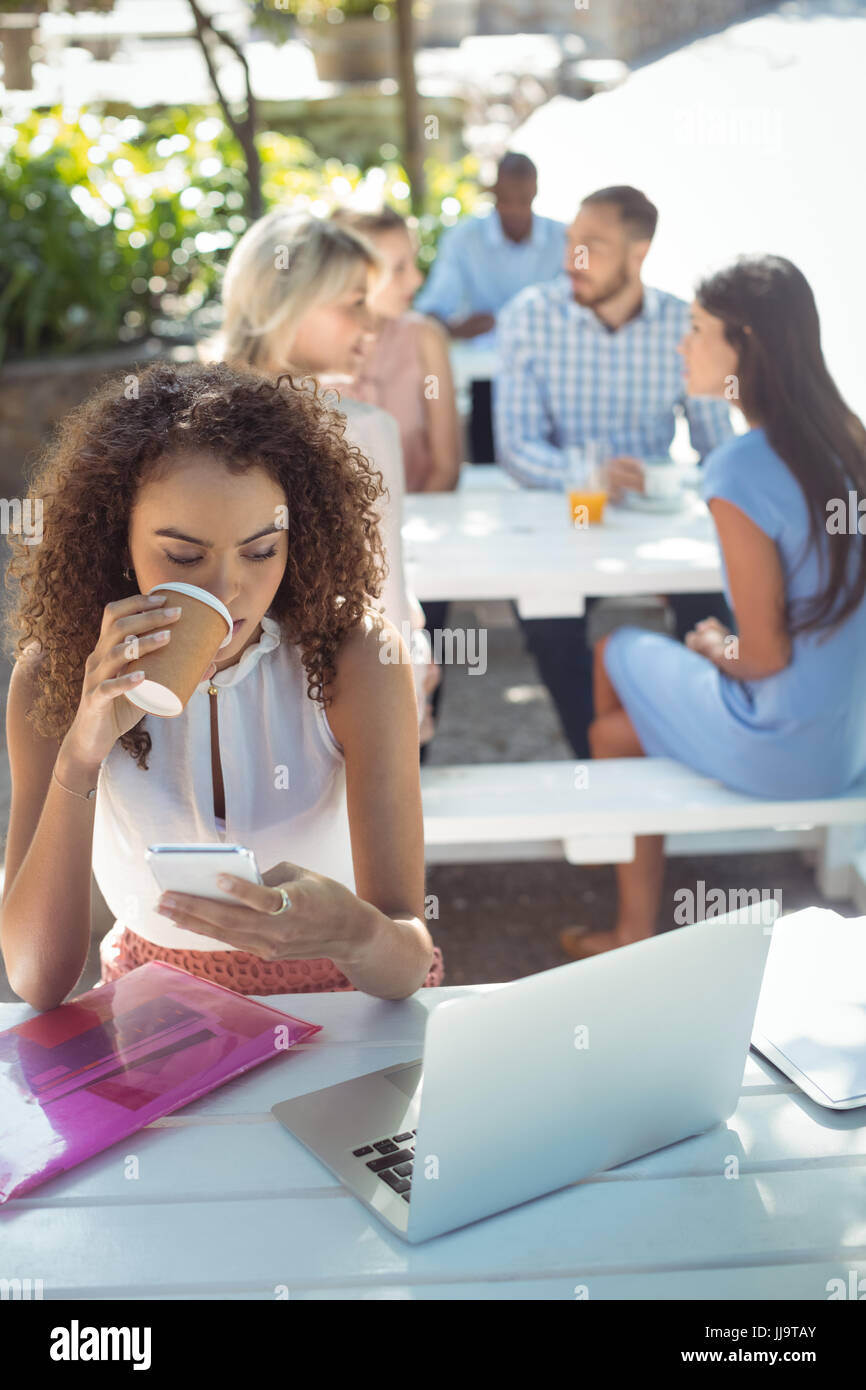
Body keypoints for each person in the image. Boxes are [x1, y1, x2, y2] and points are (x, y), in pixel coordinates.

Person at [1, 361, 444, 1010]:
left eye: (262, 550)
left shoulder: (353, 657)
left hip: (339, 1006)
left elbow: (407, 962)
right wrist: (80, 752)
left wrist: (349, 930)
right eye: (183, 556)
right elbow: (37, 979)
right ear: (118, 541)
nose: (227, 591)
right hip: (154, 1016)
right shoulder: (58, 672)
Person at [562, 254, 866, 960]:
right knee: (613, 734)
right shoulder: (847, 442)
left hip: (790, 751)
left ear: (745, 345)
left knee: (616, 650)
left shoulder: (738, 464)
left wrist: (708, 647)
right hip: (849, 743)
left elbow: (761, 656)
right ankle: (633, 918)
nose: (681, 343)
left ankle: (634, 927)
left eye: (698, 329)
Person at [494, 185, 735, 759]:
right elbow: (517, 447)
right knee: (548, 623)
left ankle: (700, 738)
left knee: (714, 603)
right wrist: (587, 474)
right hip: (565, 517)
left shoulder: (685, 325)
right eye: (571, 243)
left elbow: (717, 450)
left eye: (593, 246)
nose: (571, 260)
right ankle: (597, 756)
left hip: (656, 526)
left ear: (639, 252)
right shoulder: (529, 317)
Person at [214, 207, 438, 742]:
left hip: (209, 716)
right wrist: (412, 693)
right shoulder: (361, 433)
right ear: (289, 305)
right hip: (333, 712)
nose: (371, 323)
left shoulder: (180, 420)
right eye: (355, 303)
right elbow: (383, 602)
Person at [415, 152, 567, 461]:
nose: (513, 208)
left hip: (553, 378)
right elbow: (429, 311)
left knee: (556, 463)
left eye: (522, 198)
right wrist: (455, 328)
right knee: (488, 464)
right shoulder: (464, 239)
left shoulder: (563, 239)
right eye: (505, 198)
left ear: (535, 192)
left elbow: (581, 307)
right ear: (493, 193)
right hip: (487, 383)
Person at [333, 206, 461, 494]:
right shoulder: (310, 347)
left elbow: (447, 469)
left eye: (413, 262)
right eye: (399, 268)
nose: (417, 279)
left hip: (420, 524)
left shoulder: (425, 338)